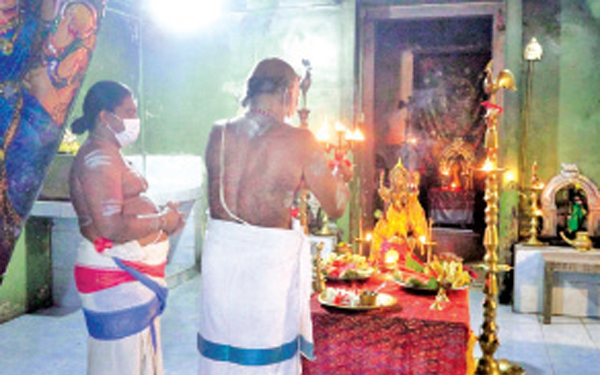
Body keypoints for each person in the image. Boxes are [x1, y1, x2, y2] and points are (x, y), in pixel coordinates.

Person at [198, 57, 353, 374]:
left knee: (223, 348)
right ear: (286, 91)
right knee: (263, 353)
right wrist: (342, 178)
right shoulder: (300, 140)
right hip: (264, 268)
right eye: (296, 95)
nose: (295, 106)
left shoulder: (218, 133)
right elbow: (336, 205)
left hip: (221, 260)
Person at [69, 80, 185, 375]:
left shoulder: (109, 151)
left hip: (128, 274)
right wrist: (161, 221)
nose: (135, 120)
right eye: (129, 111)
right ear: (105, 117)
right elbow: (110, 226)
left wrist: (162, 220)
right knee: (120, 364)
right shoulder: (98, 156)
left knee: (135, 360)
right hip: (114, 277)